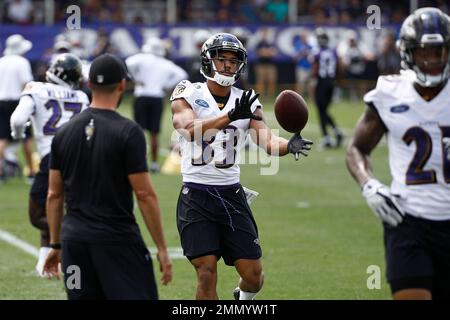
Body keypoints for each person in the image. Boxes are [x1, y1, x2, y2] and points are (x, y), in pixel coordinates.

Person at [170, 33, 312, 300]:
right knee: (206, 272)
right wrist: (230, 116)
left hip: (231, 195)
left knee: (253, 276)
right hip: (196, 195)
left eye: (233, 61)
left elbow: (267, 140)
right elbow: (189, 130)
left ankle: (242, 298)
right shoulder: (188, 92)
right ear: (207, 61)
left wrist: (287, 146)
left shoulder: (247, 99)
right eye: (221, 59)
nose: (227, 65)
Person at [43, 53, 172, 300]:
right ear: (122, 85)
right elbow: (144, 194)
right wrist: (162, 249)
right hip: (118, 241)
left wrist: (56, 244)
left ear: (89, 84)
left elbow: (53, 194)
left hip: (74, 243)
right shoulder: (129, 132)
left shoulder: (63, 133)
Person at [346, 7, 450, 300]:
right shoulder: (389, 93)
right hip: (408, 221)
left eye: (438, 52)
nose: (431, 61)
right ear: (408, 53)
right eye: (423, 52)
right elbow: (356, 148)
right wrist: (369, 185)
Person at [10, 53, 90, 277]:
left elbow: (17, 120)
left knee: (38, 215)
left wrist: (18, 133)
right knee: (57, 206)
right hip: (79, 159)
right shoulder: (81, 97)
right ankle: (45, 265)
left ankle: (77, 237)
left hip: (52, 157)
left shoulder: (36, 88)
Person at [126, 37, 187, 173]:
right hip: (157, 97)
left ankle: (139, 162)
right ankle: (153, 163)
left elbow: (126, 63)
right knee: (154, 133)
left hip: (141, 96)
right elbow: (182, 74)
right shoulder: (165, 63)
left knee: (139, 132)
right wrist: (166, 85)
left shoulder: (140, 58)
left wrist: (135, 78)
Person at [0, 34, 35, 183]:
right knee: (26, 138)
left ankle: (1, 173)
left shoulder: (1, 62)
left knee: (2, 138)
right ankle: (32, 172)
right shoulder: (22, 62)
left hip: (1, 102)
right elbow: (25, 84)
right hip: (17, 101)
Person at [311, 28, 343, 149]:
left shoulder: (317, 52)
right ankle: (333, 133)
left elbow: (315, 68)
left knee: (321, 111)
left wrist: (311, 79)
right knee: (324, 110)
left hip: (321, 83)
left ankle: (329, 136)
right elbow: (339, 67)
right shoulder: (333, 51)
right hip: (331, 82)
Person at [254, 28, 278, 96]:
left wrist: (265, 52)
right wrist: (268, 52)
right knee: (260, 80)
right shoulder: (259, 43)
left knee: (271, 80)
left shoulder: (271, 43)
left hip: (270, 64)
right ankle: (260, 95)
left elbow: (274, 52)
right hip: (261, 64)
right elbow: (259, 53)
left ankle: (270, 95)